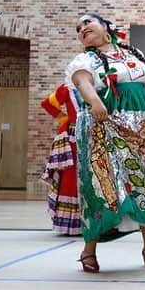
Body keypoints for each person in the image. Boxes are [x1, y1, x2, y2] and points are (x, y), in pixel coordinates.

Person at [66, 13, 145, 272]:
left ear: (106, 27)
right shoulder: (85, 59)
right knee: (102, 184)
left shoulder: (134, 55)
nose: (82, 28)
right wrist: (95, 102)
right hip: (105, 126)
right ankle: (89, 251)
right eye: (78, 27)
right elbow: (83, 82)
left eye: (87, 22)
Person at [41, 83, 81, 236]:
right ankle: (73, 224)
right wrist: (63, 118)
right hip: (73, 138)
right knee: (71, 179)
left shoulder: (102, 85)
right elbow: (48, 104)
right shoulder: (68, 88)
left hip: (96, 136)